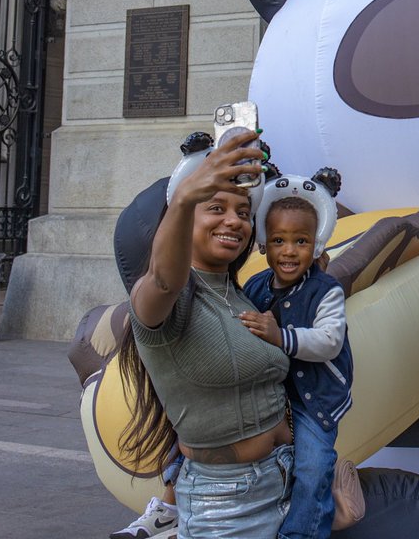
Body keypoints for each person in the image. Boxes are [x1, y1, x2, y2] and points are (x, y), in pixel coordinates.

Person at [118, 129, 294, 539]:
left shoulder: (243, 294)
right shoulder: (165, 299)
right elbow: (164, 280)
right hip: (228, 505)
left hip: (287, 480)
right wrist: (184, 196)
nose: (234, 221)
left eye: (245, 212)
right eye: (215, 207)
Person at [241, 176, 351, 539]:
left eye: (301, 241)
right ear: (263, 244)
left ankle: (301, 533)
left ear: (317, 244)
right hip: (269, 394)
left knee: (313, 465)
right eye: (279, 241)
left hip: (314, 400)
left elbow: (329, 341)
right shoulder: (256, 287)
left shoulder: (326, 291)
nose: (289, 251)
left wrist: (280, 336)